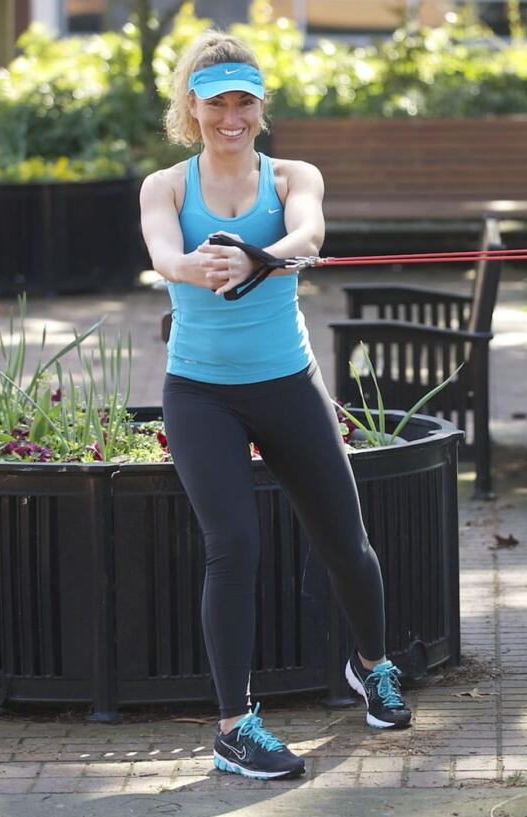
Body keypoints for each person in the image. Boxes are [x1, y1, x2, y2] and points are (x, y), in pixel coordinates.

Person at [138, 32, 411, 782]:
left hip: (288, 383)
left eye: (244, 102)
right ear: (191, 109)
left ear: (261, 106)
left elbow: (310, 232)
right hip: (200, 395)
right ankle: (234, 728)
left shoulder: (292, 175)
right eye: (217, 102)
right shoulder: (165, 186)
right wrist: (197, 266)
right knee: (235, 544)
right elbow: (164, 254)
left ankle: (373, 667)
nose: (232, 116)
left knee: (346, 541)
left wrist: (263, 256)